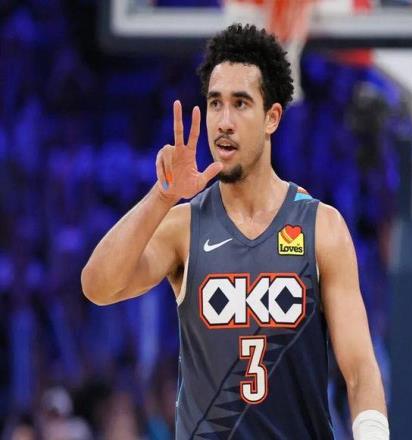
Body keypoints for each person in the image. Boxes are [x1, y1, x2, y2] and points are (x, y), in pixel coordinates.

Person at [81, 24, 388, 439]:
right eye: (215, 103)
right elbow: (97, 286)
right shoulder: (183, 226)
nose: (224, 121)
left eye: (240, 103)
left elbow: (360, 369)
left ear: (272, 117)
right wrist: (161, 195)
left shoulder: (321, 227)